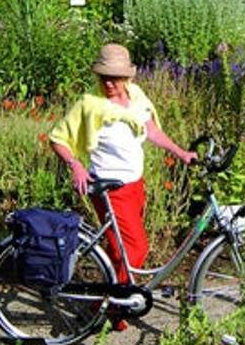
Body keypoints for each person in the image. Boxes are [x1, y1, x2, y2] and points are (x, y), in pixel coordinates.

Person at [49, 43, 196, 325]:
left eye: (115, 78)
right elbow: (57, 138)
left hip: (134, 185)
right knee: (137, 248)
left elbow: (151, 130)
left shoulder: (136, 97)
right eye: (104, 77)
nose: (108, 83)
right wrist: (75, 164)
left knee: (120, 250)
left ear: (128, 78)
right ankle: (110, 305)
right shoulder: (89, 104)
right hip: (110, 189)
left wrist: (181, 152)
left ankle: (112, 306)